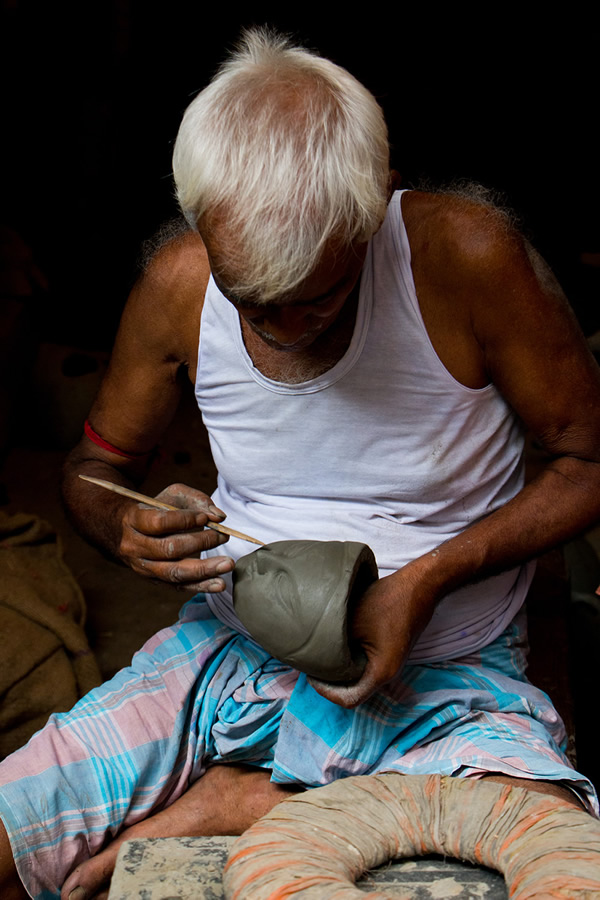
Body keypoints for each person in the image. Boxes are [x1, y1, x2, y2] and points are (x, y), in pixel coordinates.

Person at [2, 27, 600, 900]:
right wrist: (124, 523)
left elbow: (586, 460)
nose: (283, 331)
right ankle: (258, 789)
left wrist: (425, 580)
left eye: (317, 299)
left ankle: (251, 799)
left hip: (451, 676)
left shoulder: (466, 257)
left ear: (376, 205)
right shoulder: (180, 284)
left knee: (562, 863)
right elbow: (92, 471)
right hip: (225, 659)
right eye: (255, 305)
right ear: (204, 225)